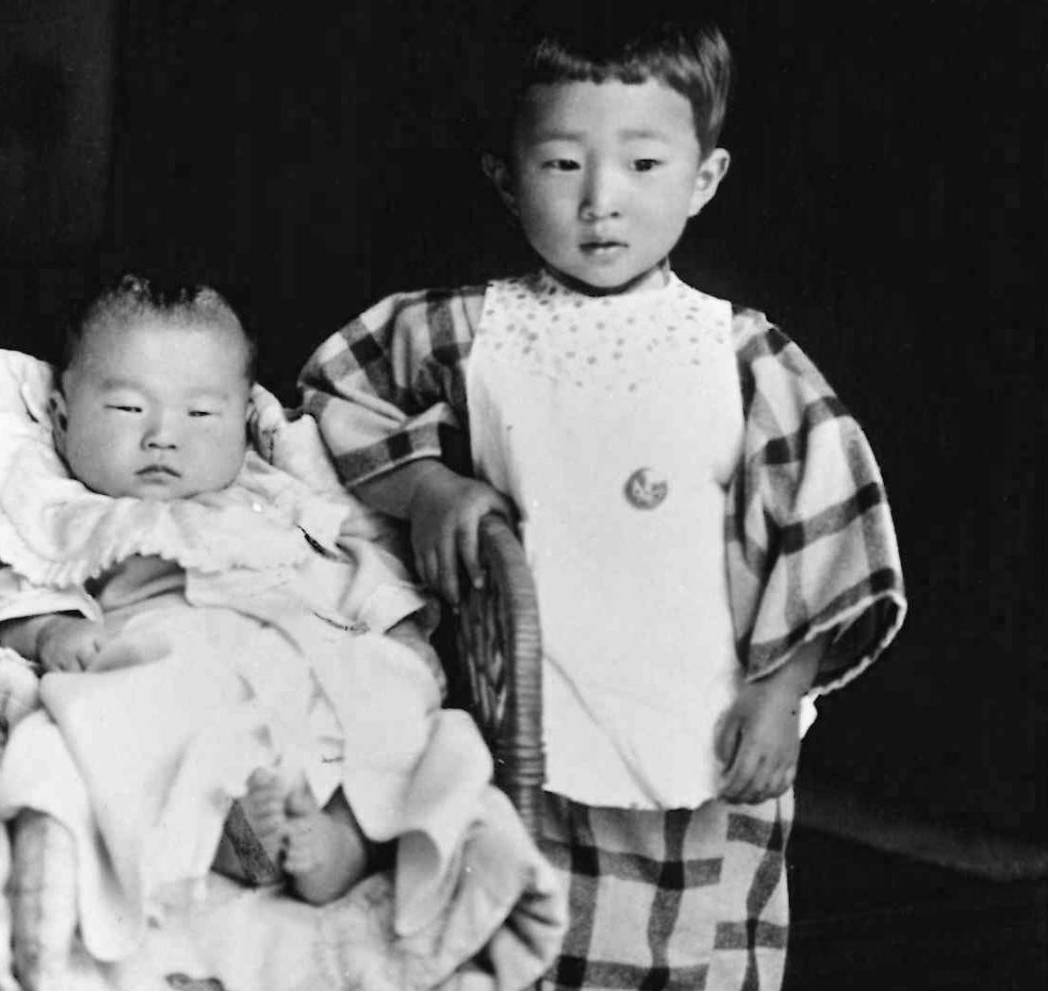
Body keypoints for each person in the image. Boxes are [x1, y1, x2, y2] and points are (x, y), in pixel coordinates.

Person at [298, 3, 907, 988]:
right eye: (561, 163)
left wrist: (780, 686)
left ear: (704, 178)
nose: (601, 203)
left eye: (644, 163)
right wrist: (430, 488)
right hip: (531, 725)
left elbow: (829, 521)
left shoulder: (741, 355)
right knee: (526, 942)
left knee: (699, 951)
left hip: (705, 724)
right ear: (507, 178)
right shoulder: (470, 329)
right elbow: (335, 390)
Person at [0, 275, 530, 985]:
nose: (163, 435)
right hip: (170, 660)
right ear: (61, 417)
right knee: (109, 730)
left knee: (403, 713)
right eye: (127, 407)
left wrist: (391, 634)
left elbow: (352, 558)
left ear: (242, 420)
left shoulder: (274, 493)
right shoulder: (68, 512)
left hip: (306, 655)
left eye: (202, 413)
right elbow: (17, 588)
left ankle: (344, 837)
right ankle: (230, 840)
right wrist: (51, 633)